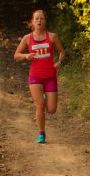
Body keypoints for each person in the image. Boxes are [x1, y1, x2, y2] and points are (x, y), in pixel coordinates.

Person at [14, 10, 65, 143]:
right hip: (35, 77)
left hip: (50, 77)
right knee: (40, 106)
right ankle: (41, 133)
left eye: (41, 19)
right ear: (32, 22)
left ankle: (43, 95)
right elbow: (16, 55)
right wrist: (26, 56)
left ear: (45, 21)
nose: (39, 21)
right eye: (36, 19)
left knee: (52, 109)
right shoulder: (27, 38)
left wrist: (59, 62)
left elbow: (62, 52)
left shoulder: (52, 37)